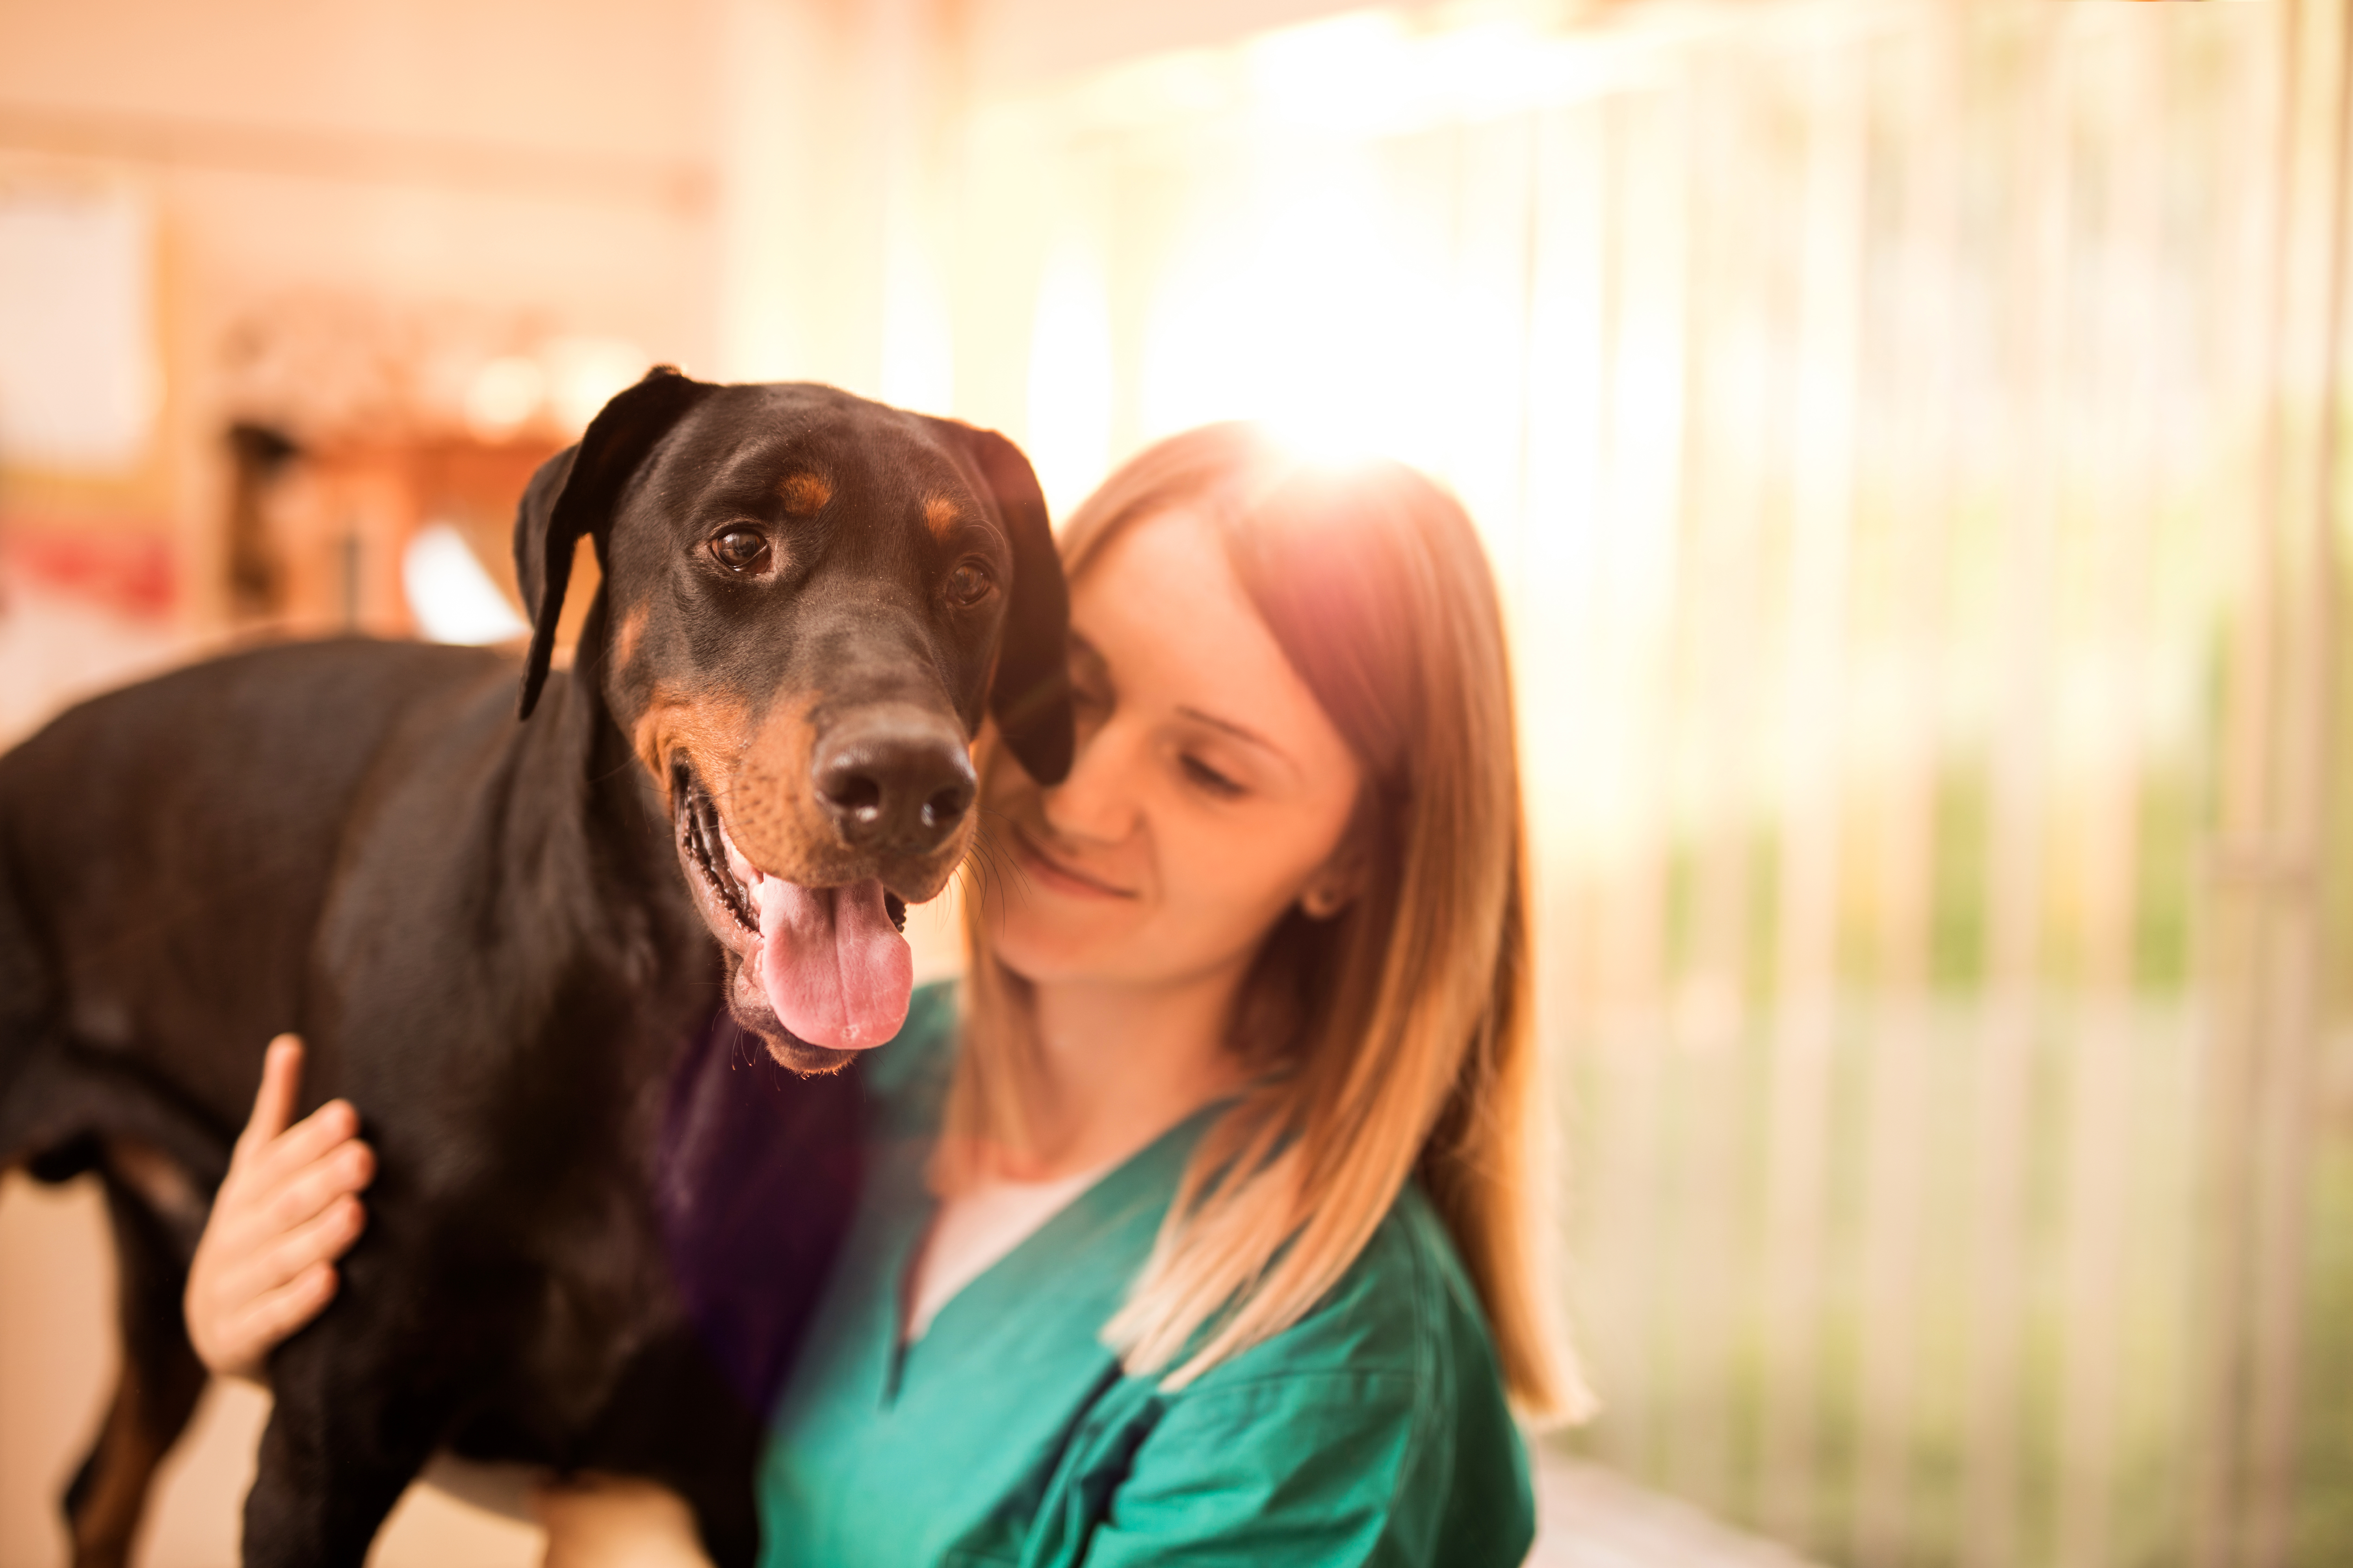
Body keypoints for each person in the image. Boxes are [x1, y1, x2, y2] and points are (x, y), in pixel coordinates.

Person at [184, 421, 1592, 1565]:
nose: (1074, 792)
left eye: (1212, 771)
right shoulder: (853, 1067)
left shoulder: (1318, 1374)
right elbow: (611, 1430)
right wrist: (275, 1341)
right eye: (1070, 692)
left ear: (1351, 856)